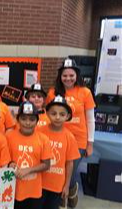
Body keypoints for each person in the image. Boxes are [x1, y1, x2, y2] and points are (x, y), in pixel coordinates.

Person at [46, 58, 96, 208]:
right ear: (60, 76)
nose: (68, 78)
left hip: (78, 141)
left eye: (71, 75)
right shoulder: (52, 92)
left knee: (71, 173)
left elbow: (90, 120)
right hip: (56, 139)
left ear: (77, 75)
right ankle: (61, 200)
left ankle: (71, 193)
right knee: (58, 171)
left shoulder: (85, 92)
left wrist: (90, 143)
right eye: (64, 75)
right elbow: (47, 116)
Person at [6, 101, 52, 209]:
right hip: (13, 189)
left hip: (34, 191)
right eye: (23, 119)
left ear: (37, 121)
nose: (27, 123)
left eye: (32, 119)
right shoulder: (9, 136)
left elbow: (46, 165)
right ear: (17, 120)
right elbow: (4, 159)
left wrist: (28, 170)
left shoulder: (43, 139)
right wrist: (10, 163)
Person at [39, 95, 80, 209]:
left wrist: (67, 186)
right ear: (47, 114)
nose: (57, 117)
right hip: (39, 183)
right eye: (53, 113)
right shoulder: (40, 132)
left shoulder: (69, 137)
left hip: (57, 185)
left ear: (67, 116)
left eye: (62, 114)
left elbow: (70, 163)